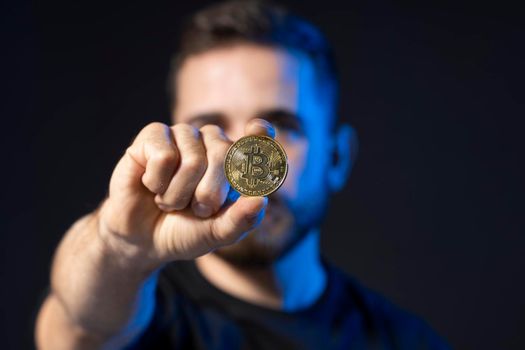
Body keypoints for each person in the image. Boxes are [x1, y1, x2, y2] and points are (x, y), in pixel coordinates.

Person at [35, 1, 450, 349]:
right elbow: (77, 327)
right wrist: (120, 246)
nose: (234, 157)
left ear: (337, 157)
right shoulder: (133, 307)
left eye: (282, 125)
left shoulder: (406, 341)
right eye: (208, 127)